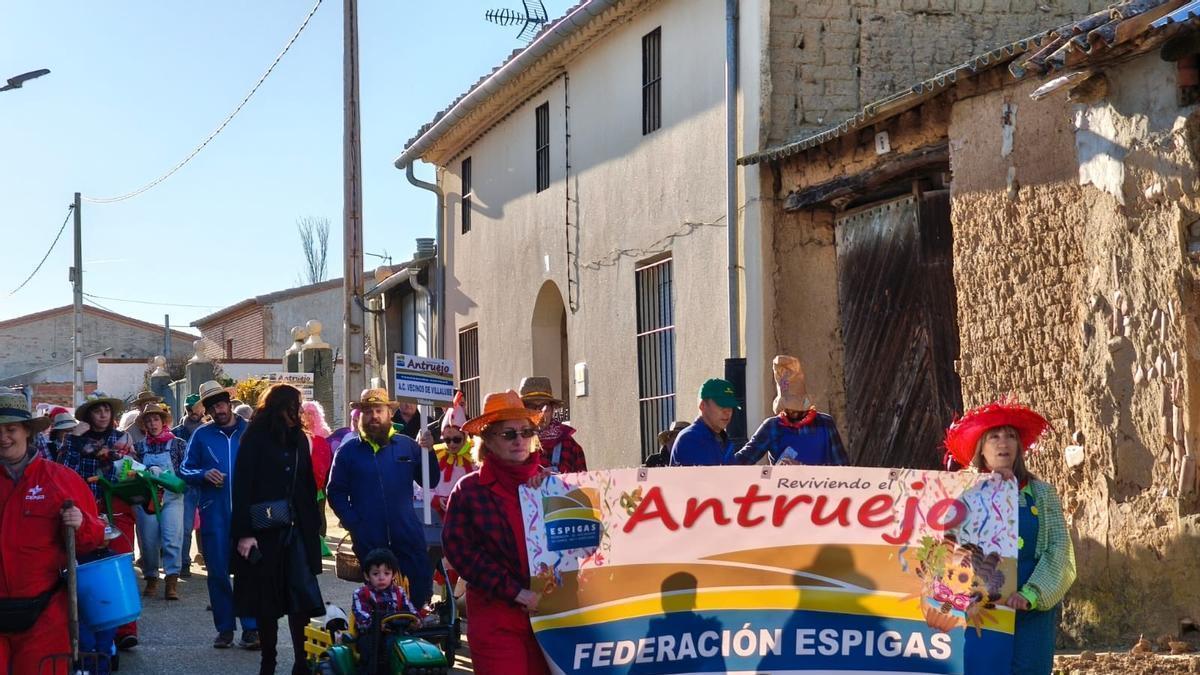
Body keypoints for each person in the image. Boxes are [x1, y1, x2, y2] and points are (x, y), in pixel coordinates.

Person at [943, 399, 1076, 675]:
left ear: (1018, 447)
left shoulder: (1041, 493)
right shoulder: (963, 494)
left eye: (1010, 436)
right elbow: (946, 544)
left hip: (1030, 606)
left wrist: (1031, 594)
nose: (1003, 443)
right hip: (981, 606)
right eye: (994, 436)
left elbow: (1059, 548)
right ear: (982, 447)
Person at [442, 389, 551, 675]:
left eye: (526, 432)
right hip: (497, 618)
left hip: (551, 617)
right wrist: (517, 592)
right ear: (488, 440)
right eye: (508, 434)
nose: (519, 440)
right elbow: (461, 552)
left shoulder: (553, 486)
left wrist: (567, 497)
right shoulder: (469, 491)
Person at [0, 392, 106, 674]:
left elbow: (95, 537)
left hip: (45, 615)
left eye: (10, 429)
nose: (3, 438)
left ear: (27, 432)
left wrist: (82, 523)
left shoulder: (60, 479)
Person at [231, 384, 324, 675]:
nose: (297, 412)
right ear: (279, 407)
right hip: (263, 532)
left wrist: (314, 527)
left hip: (295, 531)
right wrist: (244, 533)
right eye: (293, 406)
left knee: (301, 599)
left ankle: (301, 662)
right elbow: (243, 485)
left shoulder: (298, 438)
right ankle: (267, 662)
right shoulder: (255, 438)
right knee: (266, 603)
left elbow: (306, 484)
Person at [328, 389, 440, 607]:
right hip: (369, 537)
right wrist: (355, 524)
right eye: (368, 411)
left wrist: (429, 452)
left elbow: (430, 481)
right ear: (360, 416)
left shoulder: (408, 445)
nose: (374, 416)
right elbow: (336, 492)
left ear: (390, 413)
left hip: (407, 532)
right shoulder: (348, 451)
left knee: (417, 593)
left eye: (379, 410)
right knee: (378, 599)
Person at [179, 380, 260, 649]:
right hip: (214, 515)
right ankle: (225, 628)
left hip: (248, 515)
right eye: (212, 406)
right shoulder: (201, 435)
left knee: (249, 572)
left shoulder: (249, 432)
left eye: (221, 403)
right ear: (207, 410)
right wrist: (203, 474)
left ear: (229, 402)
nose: (218, 410)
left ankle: (251, 628)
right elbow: (185, 470)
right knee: (217, 573)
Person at [62, 391, 141, 650]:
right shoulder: (75, 441)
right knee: (88, 570)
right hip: (85, 510)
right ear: (88, 416)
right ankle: (92, 628)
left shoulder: (122, 439)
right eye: (97, 410)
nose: (103, 414)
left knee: (121, 564)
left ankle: (127, 630)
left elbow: (134, 470)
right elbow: (63, 469)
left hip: (116, 508)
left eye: (107, 409)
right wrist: (73, 438)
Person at [734, 355, 849, 466]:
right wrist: (720, 465)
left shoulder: (825, 423)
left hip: (820, 484)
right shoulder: (771, 427)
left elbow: (842, 467)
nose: (794, 413)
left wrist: (802, 469)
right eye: (790, 410)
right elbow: (744, 458)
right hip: (782, 485)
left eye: (798, 410)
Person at [132, 402, 188, 600]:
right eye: (148, 420)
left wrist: (169, 479)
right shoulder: (139, 447)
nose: (152, 423)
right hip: (146, 500)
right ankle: (152, 578)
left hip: (172, 498)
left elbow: (186, 472)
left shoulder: (179, 444)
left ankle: (172, 581)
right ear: (144, 425)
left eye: (156, 419)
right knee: (148, 541)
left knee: (172, 538)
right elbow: (131, 472)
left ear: (163, 421)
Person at [351, 548, 418, 673]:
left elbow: (410, 610)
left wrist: (415, 619)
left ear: (393, 574)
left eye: (386, 573)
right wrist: (376, 624)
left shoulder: (399, 592)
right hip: (371, 633)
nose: (381, 578)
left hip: (397, 632)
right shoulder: (361, 594)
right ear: (367, 575)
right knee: (370, 650)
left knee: (414, 645)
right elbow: (361, 616)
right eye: (376, 574)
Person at [519, 377, 587, 474]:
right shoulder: (511, 442)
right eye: (531, 407)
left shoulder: (569, 444)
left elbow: (584, 485)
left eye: (544, 406)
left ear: (552, 410)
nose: (539, 412)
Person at [669, 378, 741, 467]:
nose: (727, 412)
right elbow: (713, 478)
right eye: (722, 405)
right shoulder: (691, 439)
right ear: (702, 405)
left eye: (730, 406)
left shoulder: (723, 439)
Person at [424, 392, 475, 518]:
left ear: (465, 436)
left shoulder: (476, 456)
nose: (451, 444)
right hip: (441, 517)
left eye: (456, 439)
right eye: (447, 440)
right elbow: (422, 484)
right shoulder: (435, 455)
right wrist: (435, 499)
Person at [172, 394, 205, 578]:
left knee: (209, 525)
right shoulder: (176, 433)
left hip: (208, 483)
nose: (194, 411)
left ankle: (209, 558)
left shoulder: (209, 431)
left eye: (198, 408)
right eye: (191, 408)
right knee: (185, 527)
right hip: (187, 485)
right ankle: (184, 562)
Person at [300, 400, 333, 548]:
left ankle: (321, 539)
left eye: (312, 414)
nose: (308, 417)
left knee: (320, 511)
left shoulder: (324, 433)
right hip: (305, 479)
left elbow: (326, 456)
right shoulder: (299, 433)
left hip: (321, 478)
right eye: (306, 413)